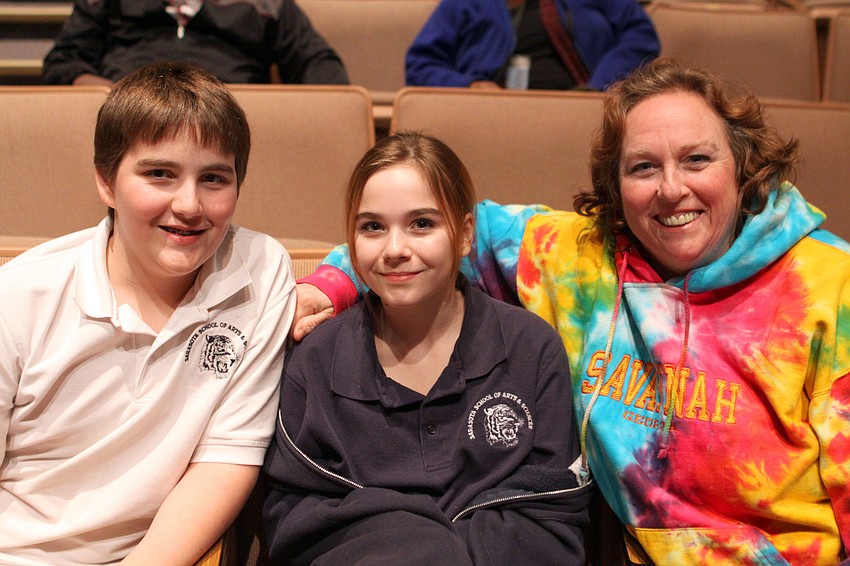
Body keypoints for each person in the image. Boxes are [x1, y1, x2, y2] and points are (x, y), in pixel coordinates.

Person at [293, 59, 850, 564]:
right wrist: (328, 286)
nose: (671, 189)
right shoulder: (580, 260)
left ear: (744, 164)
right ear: (616, 184)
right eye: (643, 168)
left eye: (697, 159)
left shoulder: (828, 285)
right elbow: (434, 230)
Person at [0, 62, 296, 564]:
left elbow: (224, 461)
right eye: (159, 174)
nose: (188, 204)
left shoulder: (261, 271)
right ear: (106, 182)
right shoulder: (20, 296)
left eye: (214, 179)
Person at [262, 131, 592, 565]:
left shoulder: (533, 348)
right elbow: (295, 518)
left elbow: (552, 512)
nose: (396, 249)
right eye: (373, 227)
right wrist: (423, 548)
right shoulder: (316, 359)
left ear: (465, 235)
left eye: (422, 224)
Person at [42, 0, 348, 87]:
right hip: (125, 118)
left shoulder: (267, 5)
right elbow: (62, 64)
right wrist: (111, 97)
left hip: (230, 120)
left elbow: (321, 68)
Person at [405, 0, 659, 91]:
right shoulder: (464, 3)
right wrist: (470, 86)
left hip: (584, 105)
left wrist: (603, 85)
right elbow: (421, 64)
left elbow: (640, 36)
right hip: (494, 107)